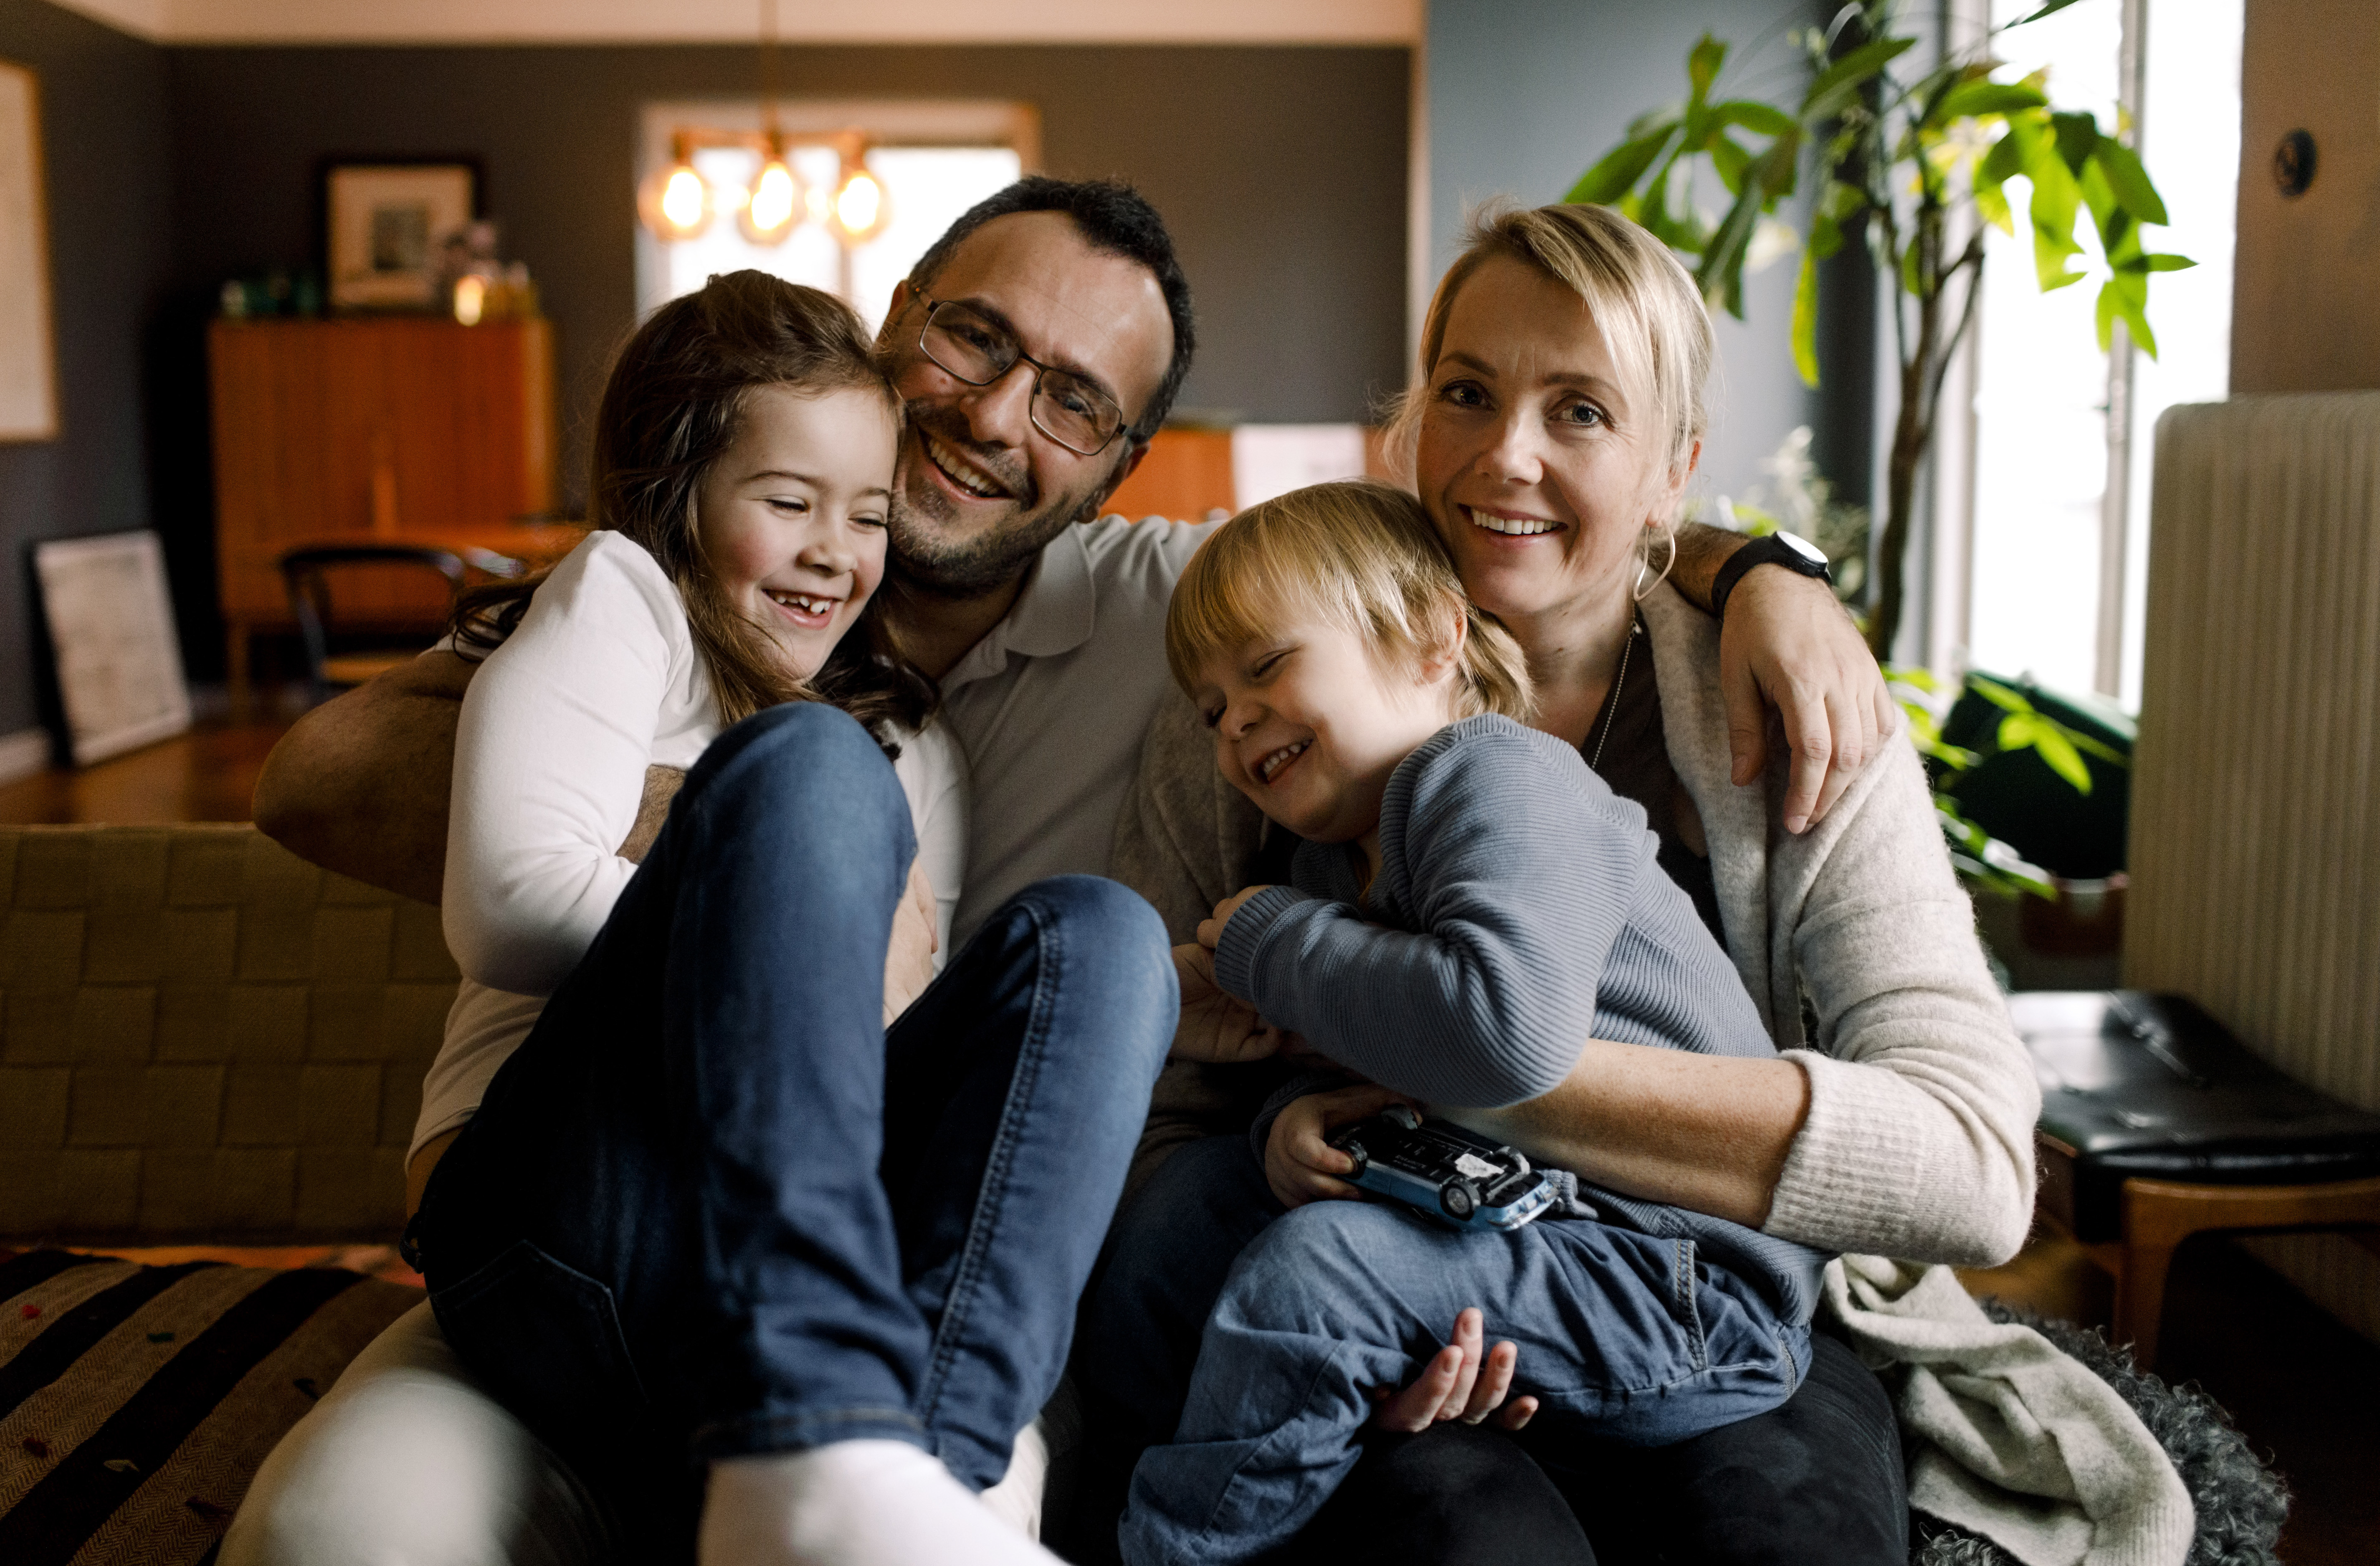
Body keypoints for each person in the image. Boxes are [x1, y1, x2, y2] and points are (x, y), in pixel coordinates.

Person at [241, 177, 1896, 1564]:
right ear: (891, 322)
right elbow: (313, 780)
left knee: (1101, 937)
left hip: (926, 1280)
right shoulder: (708, 552)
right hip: (594, 1237)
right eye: (970, 337)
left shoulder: (1164, 608)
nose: (993, 415)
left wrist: (1765, 569)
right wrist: (745, 853)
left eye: (1077, 402)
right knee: (335, 1540)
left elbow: (1438, 554)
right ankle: (818, 1434)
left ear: (1118, 469)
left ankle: (886, 1463)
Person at [1087, 203, 2036, 1566]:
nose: (1503, 454)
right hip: (1387, 1271)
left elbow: (1976, 1168)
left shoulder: (1779, 705)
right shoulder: (1267, 681)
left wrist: (1442, 1076)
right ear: (1410, 424)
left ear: (1673, 473)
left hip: (1700, 1286)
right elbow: (1153, 1118)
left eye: (1580, 412)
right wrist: (1290, 1148)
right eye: (1465, 394)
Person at [1115, 481, 1828, 1566]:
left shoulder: (1496, 775)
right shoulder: (1323, 866)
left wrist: (1262, 941)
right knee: (1183, 1214)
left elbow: (1502, 1032)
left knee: (1317, 1275)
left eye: (1264, 666)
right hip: (1514, 1220)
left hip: (1682, 1279)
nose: (1235, 720)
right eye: (1211, 707)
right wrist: (1291, 1123)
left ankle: (1174, 1548)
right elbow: (1381, 1074)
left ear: (1430, 638)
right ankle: (1165, 1477)